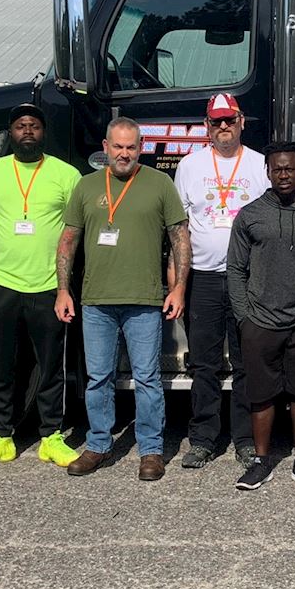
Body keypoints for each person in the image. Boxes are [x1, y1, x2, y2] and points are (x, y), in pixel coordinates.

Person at [57, 117, 189, 482]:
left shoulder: (159, 184)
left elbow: (180, 237)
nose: (124, 153)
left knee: (147, 378)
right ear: (106, 146)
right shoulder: (85, 187)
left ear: (141, 148)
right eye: (118, 146)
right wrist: (64, 290)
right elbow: (68, 240)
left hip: (144, 299)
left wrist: (177, 288)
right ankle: (98, 444)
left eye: (131, 147)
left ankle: (151, 450)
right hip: (96, 299)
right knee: (98, 377)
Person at [0, 102, 81, 469]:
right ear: (10, 133)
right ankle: (0, 437)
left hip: (48, 283)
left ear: (43, 133)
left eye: (34, 126)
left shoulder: (66, 174)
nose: (27, 131)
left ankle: (52, 436)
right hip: (1, 282)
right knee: (1, 364)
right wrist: (1, 251)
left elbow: (73, 231)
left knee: (51, 365)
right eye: (20, 126)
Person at [226, 142, 295, 492]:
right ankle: (261, 461)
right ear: (268, 172)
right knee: (260, 394)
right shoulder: (250, 215)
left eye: (290, 168)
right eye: (277, 169)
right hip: (259, 320)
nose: (284, 174)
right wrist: (245, 318)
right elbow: (235, 269)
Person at [172, 93, 267, 470]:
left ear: (241, 121)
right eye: (217, 122)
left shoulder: (260, 164)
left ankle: (245, 440)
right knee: (205, 364)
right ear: (206, 125)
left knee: (247, 363)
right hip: (205, 279)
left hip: (248, 279)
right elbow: (179, 228)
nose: (223, 127)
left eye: (230, 120)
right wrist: (177, 282)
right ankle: (203, 439)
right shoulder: (189, 166)